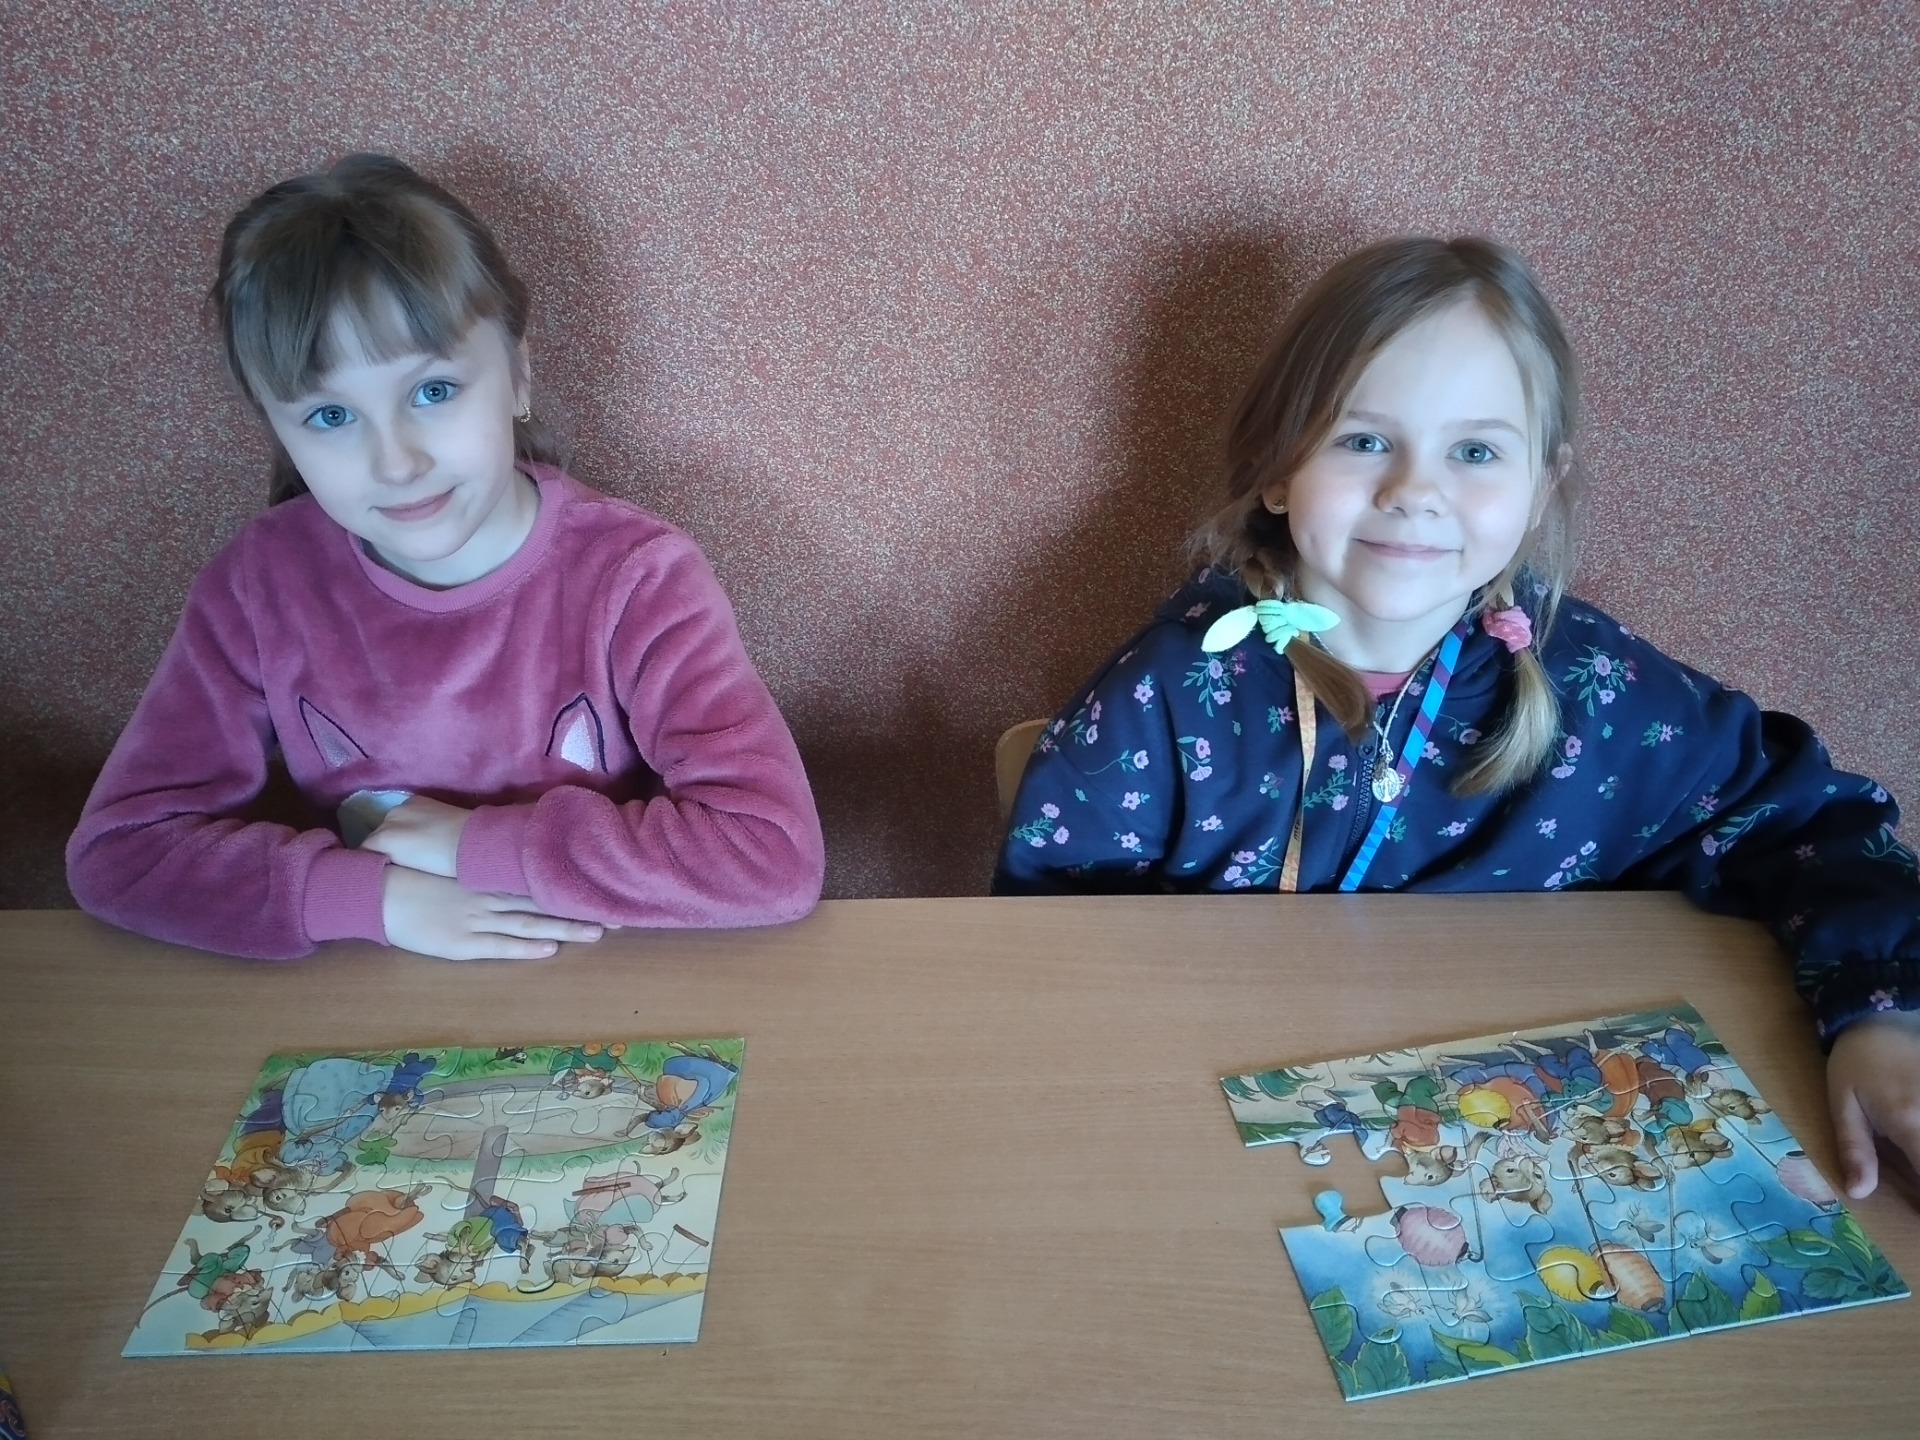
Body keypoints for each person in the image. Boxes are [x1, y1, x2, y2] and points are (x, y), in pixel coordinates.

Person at [995, 236, 1920, 1199]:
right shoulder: (1169, 693)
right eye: (1363, 441)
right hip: (1210, 1149)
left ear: (1540, 488)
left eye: (1474, 451)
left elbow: (1809, 825)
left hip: (1516, 1156)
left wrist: (1885, 1013)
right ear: (1276, 467)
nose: (1414, 491)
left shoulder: (1598, 689)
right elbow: (1047, 964)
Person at [67, 154, 823, 960]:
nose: (396, 463)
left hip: (603, 972)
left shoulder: (635, 577)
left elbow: (771, 857)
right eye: (330, 416)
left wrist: (475, 846)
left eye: (433, 392)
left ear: (518, 375)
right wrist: (373, 901)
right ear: (276, 427)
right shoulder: (260, 587)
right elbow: (120, 854)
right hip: (386, 982)